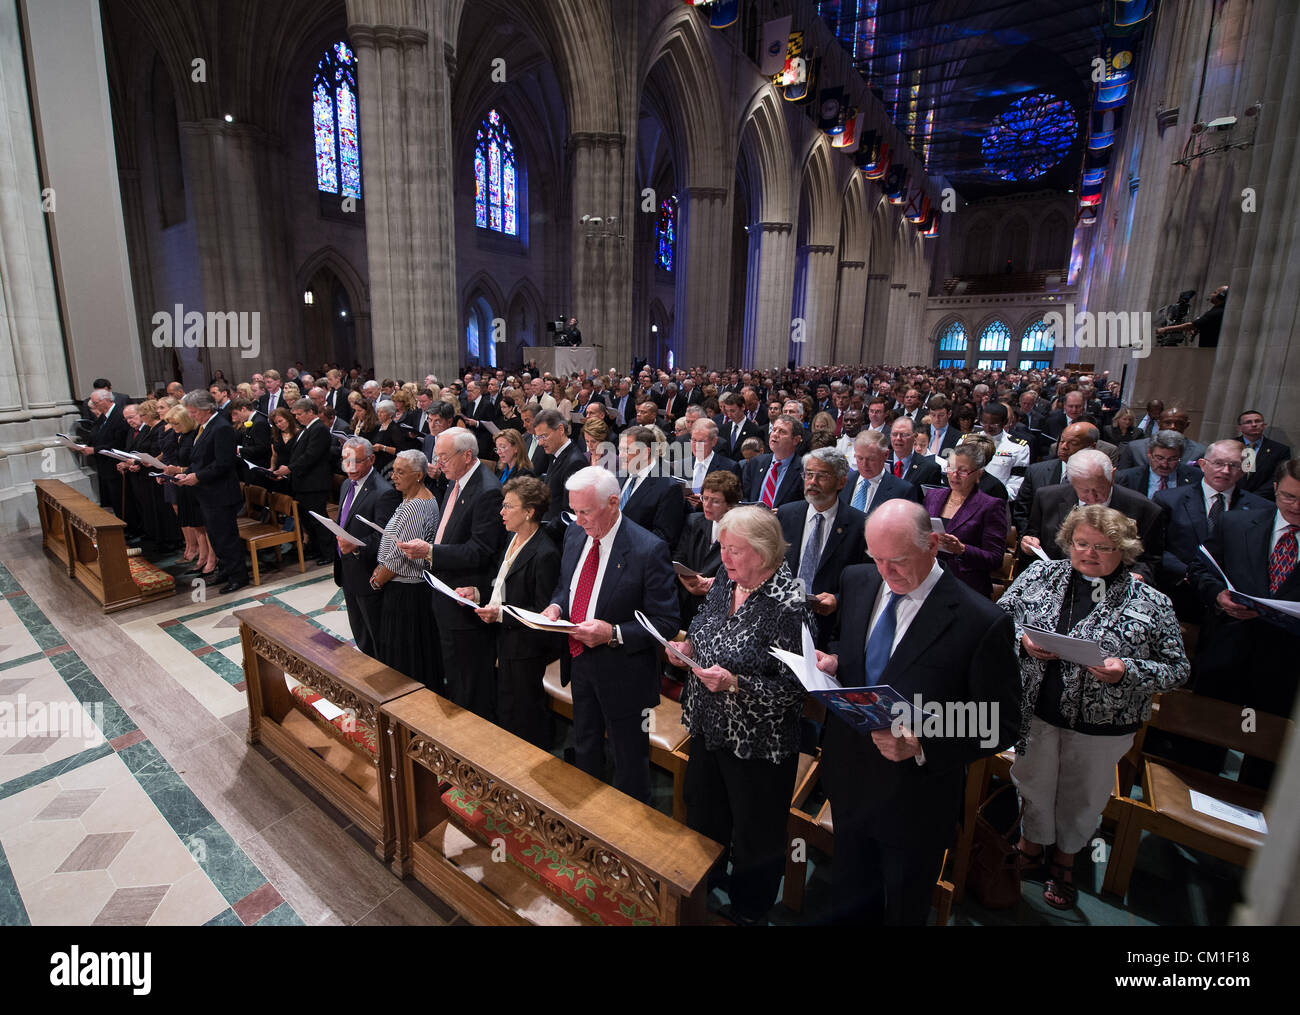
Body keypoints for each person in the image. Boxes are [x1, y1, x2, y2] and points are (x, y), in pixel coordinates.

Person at [817, 499, 1019, 925]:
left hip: (914, 800)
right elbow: (852, 649)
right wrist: (836, 661)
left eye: (899, 561)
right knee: (848, 899)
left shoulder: (981, 620)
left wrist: (923, 742)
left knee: (903, 910)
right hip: (848, 777)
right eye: (877, 559)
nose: (887, 573)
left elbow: (1000, 722)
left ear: (933, 545)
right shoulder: (857, 580)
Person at [998, 506, 1188, 909]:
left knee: (1081, 796)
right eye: (1082, 543)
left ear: (1126, 550)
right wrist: (1023, 641)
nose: (1090, 553)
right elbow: (998, 620)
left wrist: (1127, 670)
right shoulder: (1040, 576)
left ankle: (1066, 859)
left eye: (1104, 547)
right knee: (1034, 782)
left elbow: (1178, 669)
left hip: (1103, 723)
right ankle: (1031, 845)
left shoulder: (1151, 602)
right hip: (1036, 708)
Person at [665, 506, 812, 924]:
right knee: (703, 816)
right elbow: (702, 628)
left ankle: (749, 910)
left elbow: (796, 688)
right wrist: (687, 650)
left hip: (758, 745)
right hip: (708, 726)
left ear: (764, 552)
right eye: (723, 548)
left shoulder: (790, 601)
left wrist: (735, 683)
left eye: (734, 550)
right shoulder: (726, 583)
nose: (724, 559)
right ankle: (702, 891)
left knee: (754, 836)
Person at [540, 467, 679, 803]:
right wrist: (557, 608)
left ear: (614, 503)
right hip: (580, 662)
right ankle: (589, 825)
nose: (578, 519)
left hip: (626, 675)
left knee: (629, 762)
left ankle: (630, 838)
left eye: (585, 511)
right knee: (585, 746)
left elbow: (666, 622)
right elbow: (566, 587)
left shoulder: (648, 549)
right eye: (574, 510)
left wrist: (613, 633)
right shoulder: (575, 534)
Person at [1187, 458, 1300, 788]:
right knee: (1203, 746)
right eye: (1290, 497)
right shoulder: (1236, 523)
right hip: (1227, 652)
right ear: (1276, 489)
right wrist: (1220, 596)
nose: (1296, 507)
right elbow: (1200, 569)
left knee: (1265, 765)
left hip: (1286, 668)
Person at [396, 429, 506, 718]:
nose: (438, 462)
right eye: (436, 456)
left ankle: (473, 737)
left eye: (443, 456)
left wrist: (430, 551)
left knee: (471, 680)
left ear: (467, 455)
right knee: (455, 672)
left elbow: (480, 551)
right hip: (445, 591)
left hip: (465, 597)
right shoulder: (456, 482)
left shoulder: (487, 491)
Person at [464, 477, 562, 747]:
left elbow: (542, 614)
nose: (501, 512)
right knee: (507, 704)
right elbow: (501, 583)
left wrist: (500, 615)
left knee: (525, 711)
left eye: (508, 506)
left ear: (529, 511)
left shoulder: (545, 553)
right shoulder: (513, 538)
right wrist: (478, 593)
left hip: (526, 647)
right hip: (503, 637)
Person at [1153, 439, 1271, 620]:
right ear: (1202, 464)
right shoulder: (1168, 499)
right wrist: (1191, 574)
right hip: (1178, 594)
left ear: (1243, 470)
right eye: (1218, 463)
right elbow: (1156, 548)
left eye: (1234, 465)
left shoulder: (1260, 509)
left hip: (1232, 604)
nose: (1225, 471)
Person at [1022, 448, 1165, 581]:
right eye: (1084, 490)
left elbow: (1151, 560)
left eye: (1099, 489)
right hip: (1057, 584)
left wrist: (1139, 574)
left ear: (1112, 475)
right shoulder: (1047, 498)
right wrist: (1028, 544)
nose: (1092, 497)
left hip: (1114, 586)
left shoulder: (1144, 509)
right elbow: (1033, 535)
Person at [371, 450, 443, 690]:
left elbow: (402, 554)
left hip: (406, 593)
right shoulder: (414, 499)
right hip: (409, 590)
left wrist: (379, 577)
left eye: (401, 472)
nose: (394, 476)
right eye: (394, 470)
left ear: (419, 475)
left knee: (405, 661)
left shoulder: (416, 507)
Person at [778, 448, 866, 645]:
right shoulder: (786, 514)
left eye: (822, 476)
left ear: (842, 481)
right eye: (809, 474)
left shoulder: (859, 524)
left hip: (831, 628)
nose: (812, 482)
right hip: (784, 618)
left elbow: (867, 580)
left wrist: (838, 599)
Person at [168, 391, 248, 593]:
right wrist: (185, 474)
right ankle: (225, 570)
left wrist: (198, 477)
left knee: (226, 537)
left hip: (221, 493)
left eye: (193, 411)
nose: (191, 415)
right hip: (207, 492)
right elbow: (200, 460)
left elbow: (224, 463)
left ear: (206, 409)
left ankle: (238, 576)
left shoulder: (221, 427)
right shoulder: (206, 426)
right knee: (215, 536)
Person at [333, 438, 402, 657]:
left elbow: (384, 537)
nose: (351, 467)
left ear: (372, 459)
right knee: (360, 633)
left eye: (357, 461)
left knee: (376, 637)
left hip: (367, 574)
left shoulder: (384, 492)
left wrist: (356, 547)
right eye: (346, 461)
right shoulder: (346, 484)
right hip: (348, 572)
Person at [923, 441, 1008, 597]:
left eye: (963, 471)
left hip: (966, 587)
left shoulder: (990, 505)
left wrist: (962, 550)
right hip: (929, 579)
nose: (954, 475)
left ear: (978, 474)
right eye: (951, 468)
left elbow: (995, 558)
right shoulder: (933, 496)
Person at [674, 470, 740, 628]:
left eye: (715, 501)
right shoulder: (693, 521)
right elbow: (679, 557)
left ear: (730, 506)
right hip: (686, 604)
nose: (707, 505)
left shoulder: (740, 531)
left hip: (720, 611)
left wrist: (713, 586)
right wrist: (687, 581)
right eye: (705, 498)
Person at [274, 399, 334, 566]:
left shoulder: (319, 429)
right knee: (307, 520)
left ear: (311, 412)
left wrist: (290, 468)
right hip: (303, 483)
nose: (297, 418)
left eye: (300, 414)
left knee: (318, 519)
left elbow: (311, 456)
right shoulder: (307, 429)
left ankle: (329, 552)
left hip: (315, 483)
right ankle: (316, 549)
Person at [616, 426, 686, 547]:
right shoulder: (618, 476)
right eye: (620, 449)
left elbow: (664, 537)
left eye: (627, 450)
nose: (620, 455)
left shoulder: (669, 488)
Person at [533, 409, 590, 536]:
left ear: (560, 430)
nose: (540, 443)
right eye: (538, 438)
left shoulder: (575, 462)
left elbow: (569, 513)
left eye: (544, 436)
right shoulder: (556, 455)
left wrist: (540, 532)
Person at [741, 416, 805, 508]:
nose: (775, 434)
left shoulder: (803, 468)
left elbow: (804, 504)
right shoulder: (755, 463)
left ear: (795, 440)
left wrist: (784, 512)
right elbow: (744, 496)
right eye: (774, 430)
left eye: (782, 432)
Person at [1115, 430, 1202, 497]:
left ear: (1181, 455)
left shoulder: (1196, 477)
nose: (1164, 465)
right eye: (1159, 458)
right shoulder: (1127, 478)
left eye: (1172, 459)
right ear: (1149, 453)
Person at [1235, 409, 1292, 502]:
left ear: (1264, 425)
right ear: (1239, 428)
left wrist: (1252, 498)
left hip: (1261, 501)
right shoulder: (1228, 445)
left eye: (1257, 421)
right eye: (1248, 422)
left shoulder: (1280, 450)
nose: (1254, 424)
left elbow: (1278, 477)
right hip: (1230, 497)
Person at [979, 402, 1030, 498]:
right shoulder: (967, 441)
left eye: (993, 424)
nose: (988, 427)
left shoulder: (1018, 448)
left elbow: (1016, 483)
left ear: (1005, 422)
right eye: (984, 423)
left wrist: (995, 499)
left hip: (997, 501)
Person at [884, 417, 942, 489]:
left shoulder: (930, 469)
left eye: (904, 435)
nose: (898, 438)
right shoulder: (880, 460)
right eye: (895, 434)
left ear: (915, 437)